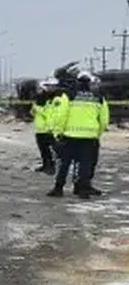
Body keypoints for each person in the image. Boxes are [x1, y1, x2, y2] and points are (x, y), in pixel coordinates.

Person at [48, 71, 107, 199]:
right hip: (89, 137)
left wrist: (57, 132)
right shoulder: (98, 97)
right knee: (85, 164)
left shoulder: (69, 95)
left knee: (64, 163)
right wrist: (98, 133)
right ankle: (83, 190)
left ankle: (58, 188)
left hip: (69, 136)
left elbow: (61, 116)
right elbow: (104, 119)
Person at [31, 80, 58, 175]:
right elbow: (34, 113)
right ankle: (45, 165)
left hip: (49, 129)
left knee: (52, 150)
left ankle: (51, 167)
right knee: (43, 150)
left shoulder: (51, 99)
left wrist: (37, 109)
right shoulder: (39, 99)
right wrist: (34, 110)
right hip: (40, 129)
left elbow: (48, 113)